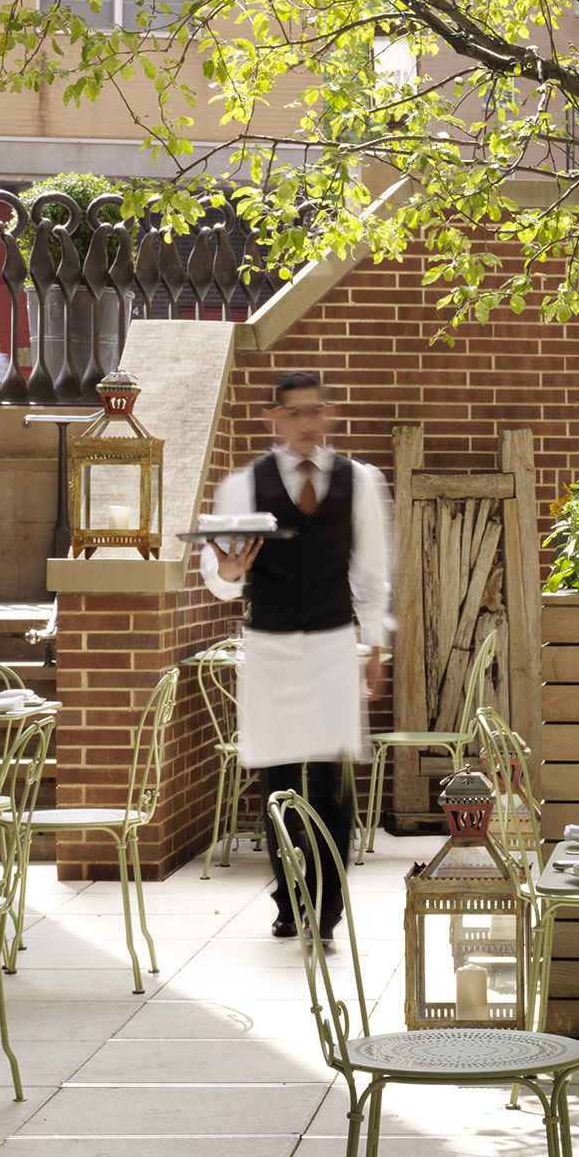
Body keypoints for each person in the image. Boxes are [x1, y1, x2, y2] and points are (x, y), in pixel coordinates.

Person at [199, 370, 390, 945]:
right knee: (279, 778)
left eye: (316, 411)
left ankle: (327, 909)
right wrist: (230, 574)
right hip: (269, 646)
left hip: (333, 645)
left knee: (330, 779)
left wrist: (375, 645)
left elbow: (372, 571)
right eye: (296, 413)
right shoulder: (242, 485)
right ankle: (287, 900)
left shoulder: (360, 480)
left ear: (326, 415)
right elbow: (220, 573)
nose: (308, 423)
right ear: (274, 420)